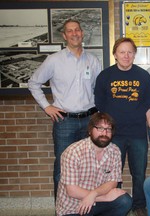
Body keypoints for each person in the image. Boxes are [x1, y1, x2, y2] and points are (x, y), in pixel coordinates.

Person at [28, 19, 101, 199]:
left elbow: (99, 88)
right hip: (64, 121)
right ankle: (61, 208)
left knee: (87, 165)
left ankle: (85, 207)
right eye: (70, 31)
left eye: (77, 29)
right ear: (64, 36)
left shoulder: (93, 60)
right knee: (62, 166)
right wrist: (47, 107)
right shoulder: (54, 60)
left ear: (82, 33)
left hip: (89, 121)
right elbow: (33, 83)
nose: (74, 33)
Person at [94, 37, 150, 216]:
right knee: (113, 174)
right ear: (115, 54)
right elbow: (99, 102)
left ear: (134, 54)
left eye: (130, 52)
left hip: (137, 133)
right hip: (114, 135)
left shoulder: (143, 75)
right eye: (122, 52)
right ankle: (115, 203)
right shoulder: (105, 76)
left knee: (139, 173)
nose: (126, 56)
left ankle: (139, 205)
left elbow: (148, 101)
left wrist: (133, 115)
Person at [56, 112, 132, 216]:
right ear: (90, 130)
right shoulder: (73, 152)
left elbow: (113, 182)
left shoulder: (115, 151)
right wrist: (103, 197)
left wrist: (94, 194)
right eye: (100, 128)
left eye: (108, 129)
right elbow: (72, 191)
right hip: (74, 207)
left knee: (125, 201)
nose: (104, 133)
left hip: (98, 204)